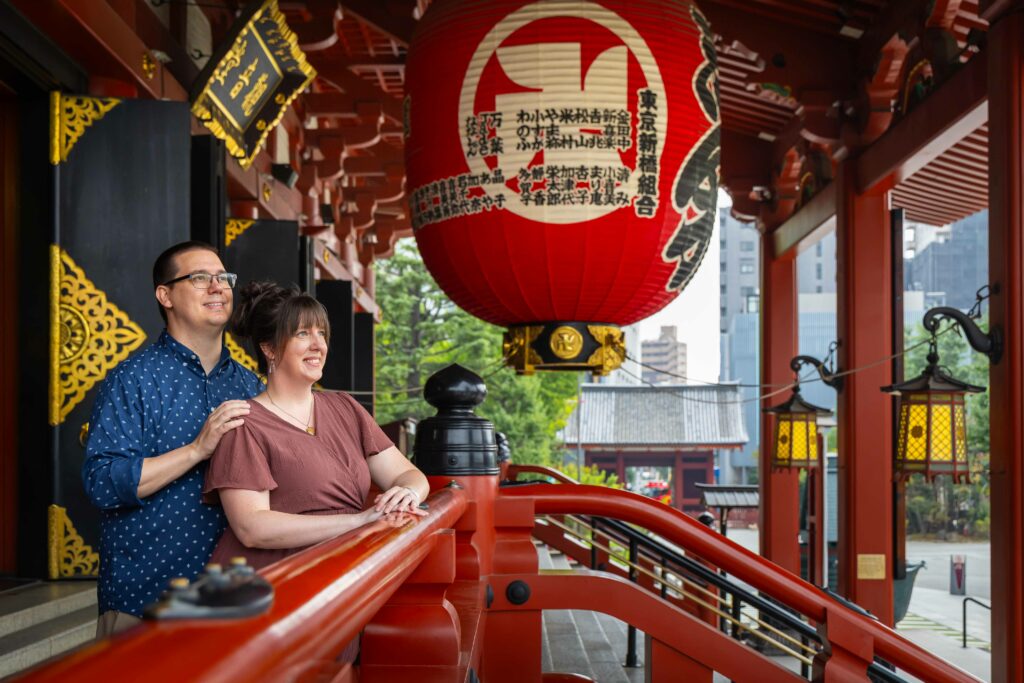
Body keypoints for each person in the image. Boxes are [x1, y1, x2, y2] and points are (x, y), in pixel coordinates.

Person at [82, 242, 263, 637]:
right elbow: (102, 482)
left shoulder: (250, 386)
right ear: (165, 295)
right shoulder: (133, 378)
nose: (218, 287)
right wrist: (198, 450)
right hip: (145, 598)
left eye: (223, 278)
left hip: (230, 600)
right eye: (200, 278)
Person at [203, 281, 429, 573]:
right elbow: (252, 526)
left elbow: (407, 473)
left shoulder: (345, 408)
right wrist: (360, 521)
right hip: (273, 581)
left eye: (321, 333)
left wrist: (408, 493)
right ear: (269, 349)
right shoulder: (244, 424)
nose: (318, 345)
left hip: (340, 571)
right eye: (302, 334)